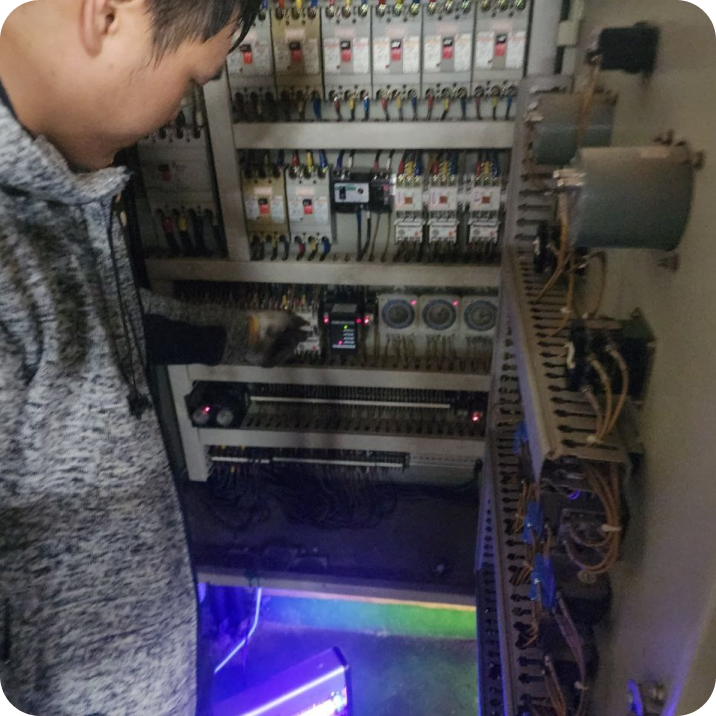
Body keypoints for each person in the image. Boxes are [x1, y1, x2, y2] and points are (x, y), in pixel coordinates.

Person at [0, 2, 306, 714]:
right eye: (193, 78)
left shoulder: (56, 193)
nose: (177, 111)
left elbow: (99, 326)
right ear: (108, 14)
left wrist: (251, 334)